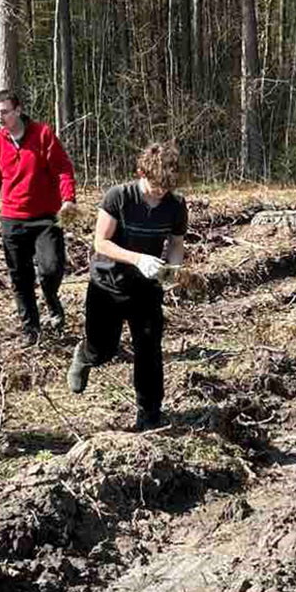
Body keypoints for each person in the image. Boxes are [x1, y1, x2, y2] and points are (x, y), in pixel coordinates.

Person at [67, 142, 188, 432]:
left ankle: (149, 413)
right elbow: (101, 242)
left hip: (145, 288)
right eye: (155, 186)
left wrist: (171, 271)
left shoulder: (175, 204)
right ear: (140, 173)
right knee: (104, 348)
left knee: (149, 349)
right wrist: (138, 259)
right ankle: (85, 356)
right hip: (107, 285)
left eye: (166, 188)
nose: (160, 193)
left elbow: (176, 243)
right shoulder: (119, 197)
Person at [0, 89, 76, 344]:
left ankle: (51, 300)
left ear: (18, 110)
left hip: (45, 217)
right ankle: (31, 329)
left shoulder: (43, 135)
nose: (0, 117)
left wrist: (68, 200)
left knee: (51, 269)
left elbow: (63, 169)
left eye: (4, 112)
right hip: (12, 218)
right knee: (20, 277)